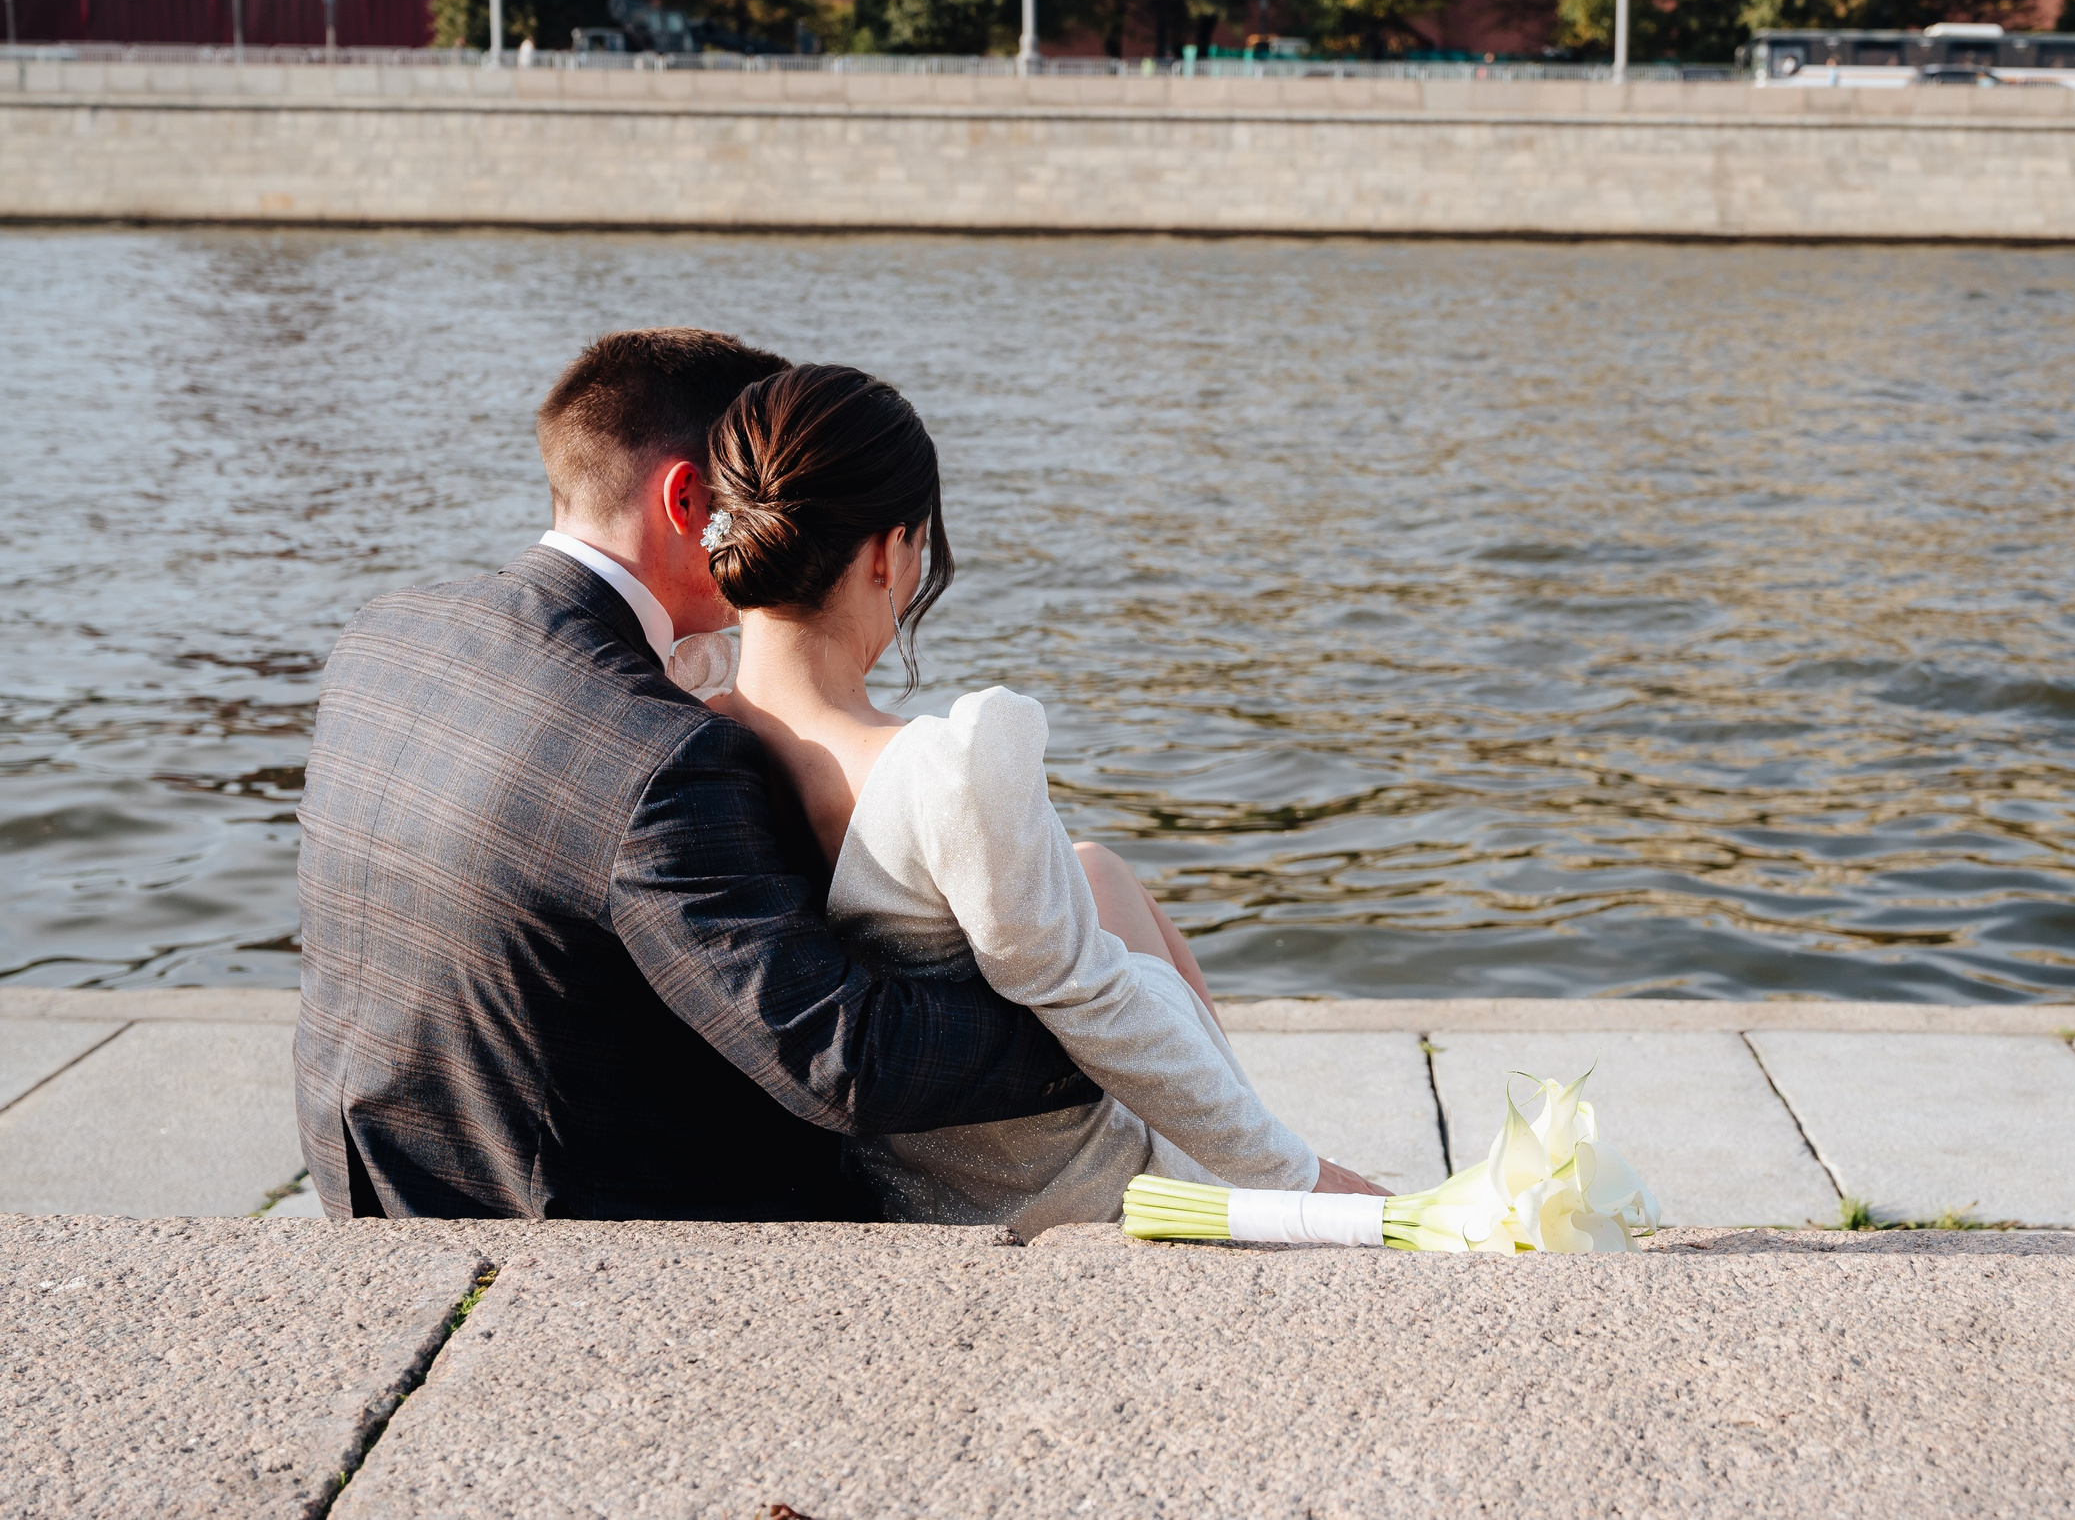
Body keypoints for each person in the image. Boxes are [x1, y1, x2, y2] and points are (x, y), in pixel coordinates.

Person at [294, 329, 1107, 1219]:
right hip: (574, 1221)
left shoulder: (387, 633)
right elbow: (841, 1056)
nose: (777, 525)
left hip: (377, 1182)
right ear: (687, 498)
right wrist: (1103, 1023)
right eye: (751, 495)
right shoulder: (658, 750)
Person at [702, 364, 1384, 1234]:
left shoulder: (684, 734)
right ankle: (1263, 1183)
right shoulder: (943, 770)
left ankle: (1256, 1154)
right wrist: (1301, 1176)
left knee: (1096, 868)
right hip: (1071, 1183)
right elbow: (1090, 1001)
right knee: (1115, 955)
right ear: (886, 551)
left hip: (914, 1170)